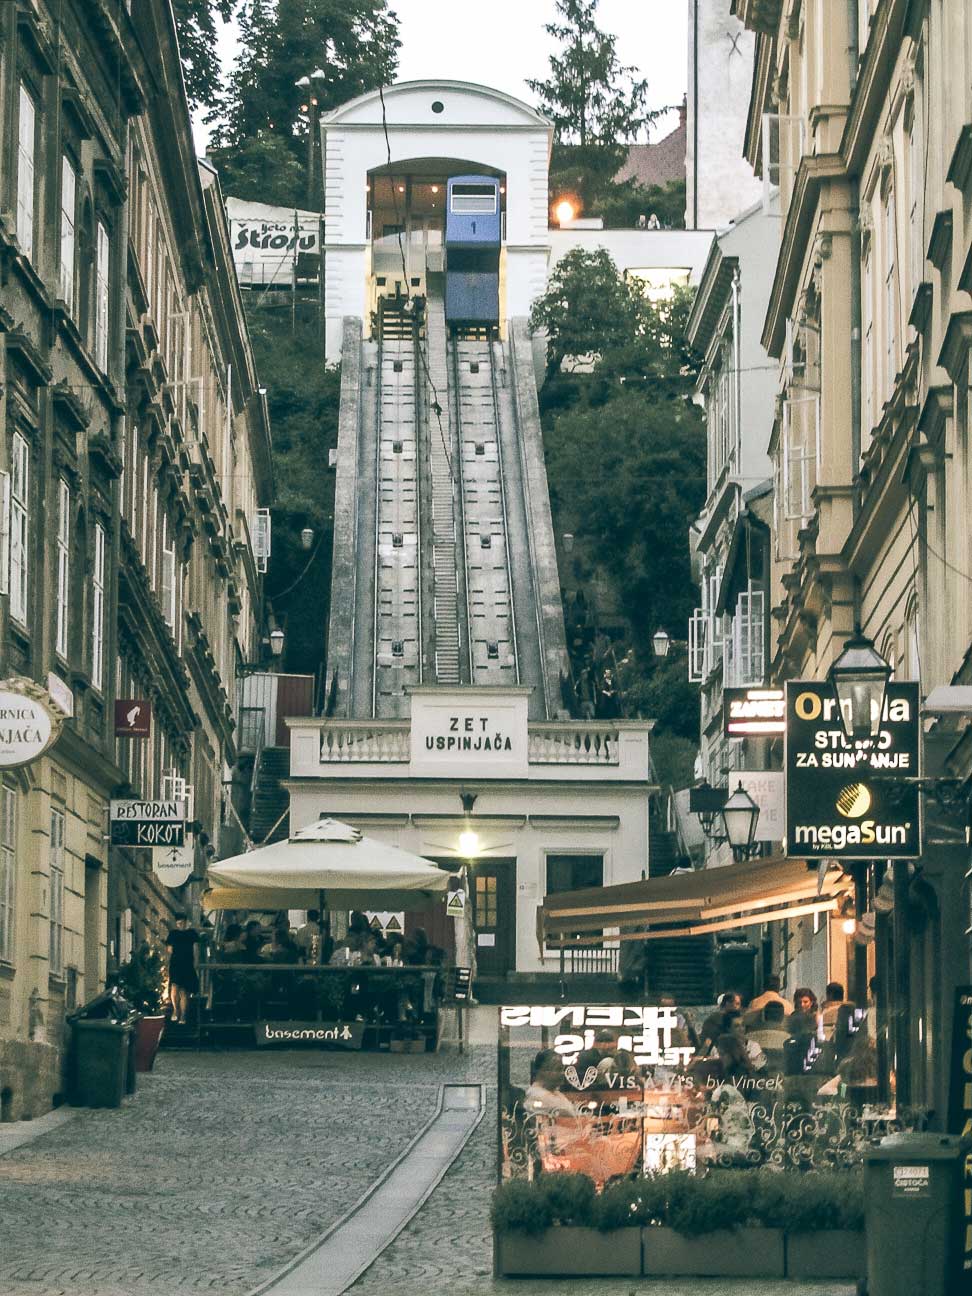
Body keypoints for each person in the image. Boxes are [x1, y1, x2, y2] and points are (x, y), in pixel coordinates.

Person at [166, 914, 200, 1024]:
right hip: (176, 963)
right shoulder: (173, 934)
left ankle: (183, 1016)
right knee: (175, 987)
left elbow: (196, 949)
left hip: (186, 963)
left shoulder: (192, 933)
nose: (180, 925)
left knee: (184, 991)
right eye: (178, 923)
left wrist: (195, 962)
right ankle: (176, 1011)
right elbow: (169, 949)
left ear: (186, 922)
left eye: (182, 923)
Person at [524, 1049, 575, 1116]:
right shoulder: (537, 1095)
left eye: (563, 1069)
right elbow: (568, 1114)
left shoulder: (556, 1093)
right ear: (543, 1071)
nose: (563, 1073)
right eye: (558, 1069)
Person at [747, 1000, 791, 1072]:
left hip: (755, 1079)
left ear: (764, 1015)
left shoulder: (749, 1038)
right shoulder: (789, 1039)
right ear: (782, 1017)